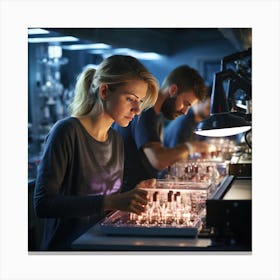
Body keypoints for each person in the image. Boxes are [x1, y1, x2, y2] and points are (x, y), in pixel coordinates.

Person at [33, 55, 159, 251]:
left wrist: (131, 195)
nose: (137, 110)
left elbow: (103, 204)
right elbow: (43, 205)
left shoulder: (115, 138)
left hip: (101, 245)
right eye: (130, 99)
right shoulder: (67, 131)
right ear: (104, 91)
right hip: (67, 251)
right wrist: (111, 201)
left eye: (140, 102)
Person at [112, 65, 209, 192]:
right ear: (173, 90)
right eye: (186, 103)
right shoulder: (145, 111)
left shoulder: (156, 115)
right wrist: (192, 147)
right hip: (125, 199)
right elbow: (159, 160)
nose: (185, 112)